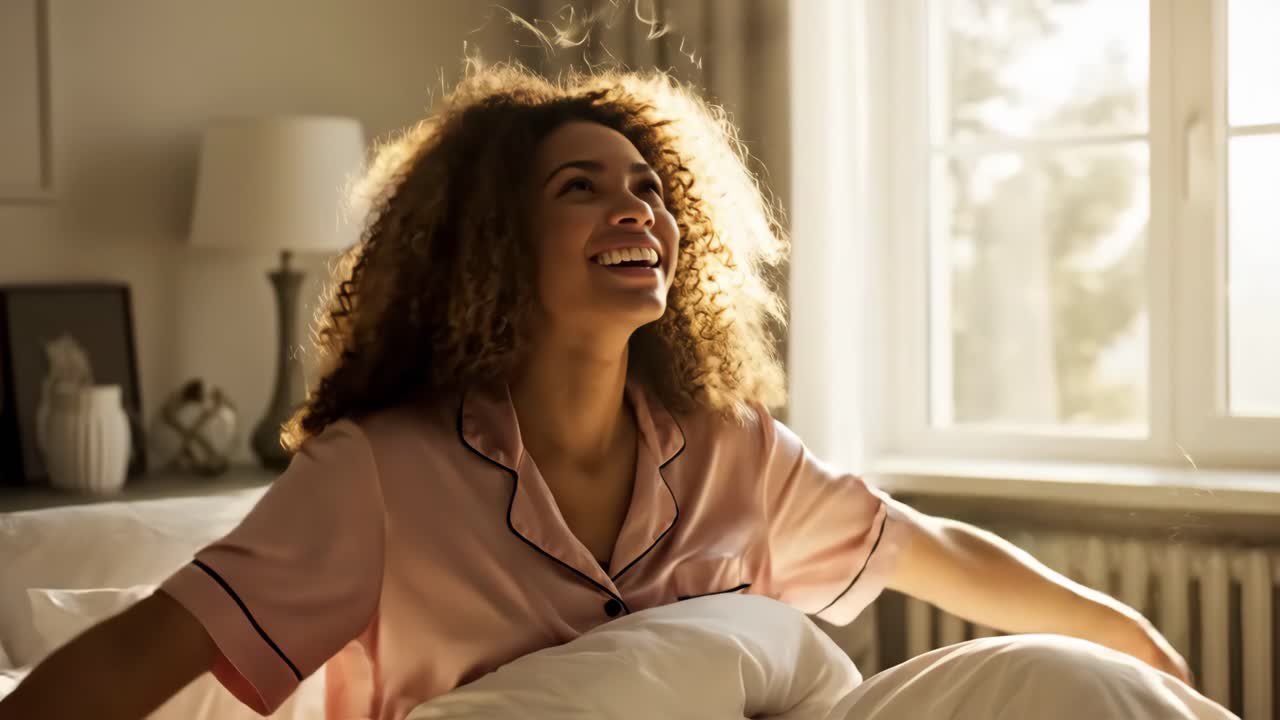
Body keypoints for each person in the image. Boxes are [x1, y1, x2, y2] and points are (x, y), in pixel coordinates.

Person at [0, 61, 1191, 720]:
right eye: (582, 187)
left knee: (1064, 685)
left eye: (649, 187)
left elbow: (926, 549)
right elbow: (147, 651)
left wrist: (1118, 634)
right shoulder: (379, 477)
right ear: (492, 246)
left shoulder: (731, 449)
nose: (640, 212)